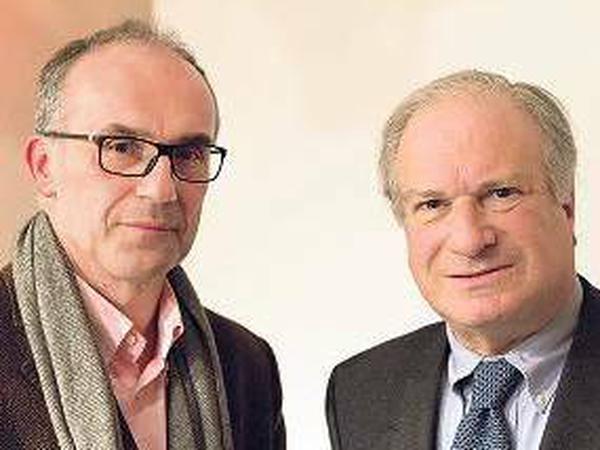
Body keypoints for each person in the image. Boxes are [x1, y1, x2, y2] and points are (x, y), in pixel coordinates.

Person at [0, 20, 284, 450]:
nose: (161, 190)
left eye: (189, 153)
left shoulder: (245, 366)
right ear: (44, 167)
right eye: (121, 147)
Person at [326, 70, 600, 450]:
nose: (470, 241)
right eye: (432, 204)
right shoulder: (360, 392)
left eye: (502, 194)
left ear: (566, 207)